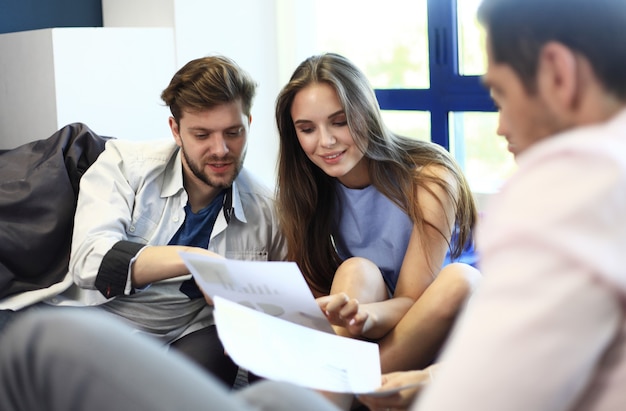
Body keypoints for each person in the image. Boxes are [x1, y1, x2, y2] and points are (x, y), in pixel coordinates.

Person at [62, 55, 286, 386]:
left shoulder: (268, 210)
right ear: (176, 130)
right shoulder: (125, 166)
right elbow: (89, 261)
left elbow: (283, 305)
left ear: (249, 124)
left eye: (233, 133)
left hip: (192, 333)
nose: (221, 149)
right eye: (202, 135)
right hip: (103, 321)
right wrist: (197, 261)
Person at [274, 52, 482, 375]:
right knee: (356, 271)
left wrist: (366, 316)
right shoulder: (307, 191)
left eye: (339, 122)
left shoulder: (429, 179)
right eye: (307, 129)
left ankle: (341, 384)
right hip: (367, 333)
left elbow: (412, 301)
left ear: (366, 113)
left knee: (461, 280)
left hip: (435, 319)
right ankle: (342, 384)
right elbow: (318, 301)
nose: (326, 142)